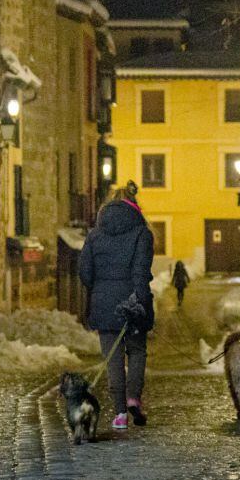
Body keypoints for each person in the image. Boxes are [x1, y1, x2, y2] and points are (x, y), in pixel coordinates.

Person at [78, 181, 154, 430]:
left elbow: (85, 273)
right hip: (132, 301)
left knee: (112, 358)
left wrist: (98, 289)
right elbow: (141, 273)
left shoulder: (94, 234)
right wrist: (141, 303)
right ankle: (134, 397)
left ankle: (120, 412)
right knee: (136, 351)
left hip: (103, 303)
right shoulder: (142, 233)